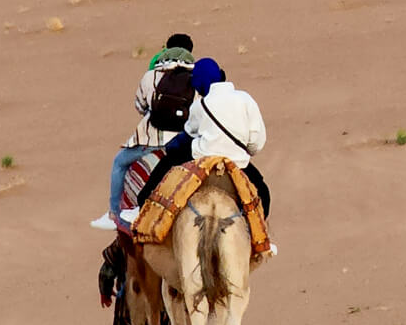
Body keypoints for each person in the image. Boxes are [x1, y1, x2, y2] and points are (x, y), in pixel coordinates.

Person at [124, 57, 270, 222]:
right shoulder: (245, 99)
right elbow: (257, 141)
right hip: (237, 161)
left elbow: (189, 133)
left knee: (165, 165)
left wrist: (172, 148)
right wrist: (241, 150)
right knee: (263, 193)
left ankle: (142, 206)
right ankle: (260, 234)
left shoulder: (201, 105)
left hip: (202, 156)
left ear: (199, 83)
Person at [89, 33, 196, 230]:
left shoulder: (151, 76)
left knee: (119, 162)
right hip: (185, 144)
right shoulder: (196, 79)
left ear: (166, 50)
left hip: (151, 141)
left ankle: (114, 214)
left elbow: (140, 106)